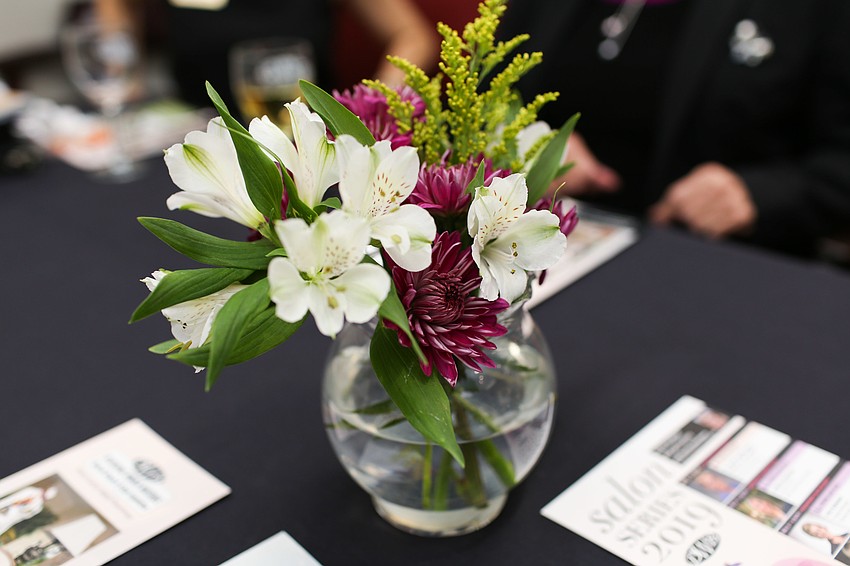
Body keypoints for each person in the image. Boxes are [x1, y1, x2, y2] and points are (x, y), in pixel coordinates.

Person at [501, 0, 850, 256]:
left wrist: (759, 195)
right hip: (537, 254)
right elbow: (487, 98)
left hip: (714, 265)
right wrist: (523, 144)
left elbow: (840, 161)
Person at [94, 0, 439, 108]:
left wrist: (367, 109)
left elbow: (413, 37)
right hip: (196, 145)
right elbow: (115, 15)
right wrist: (119, 75)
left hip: (301, 144)